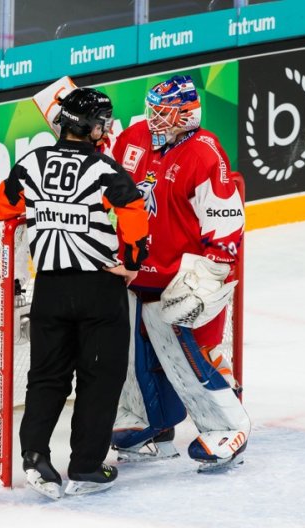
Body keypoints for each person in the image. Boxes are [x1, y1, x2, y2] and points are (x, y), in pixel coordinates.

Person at [0, 87, 149, 498]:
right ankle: (85, 466)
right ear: (92, 127)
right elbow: (134, 214)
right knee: (100, 378)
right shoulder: (107, 170)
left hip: (51, 291)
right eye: (103, 122)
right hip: (99, 290)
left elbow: (1, 204)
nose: (107, 128)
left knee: (46, 377)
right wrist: (132, 262)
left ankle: (35, 459)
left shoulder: (32, 163)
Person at [109, 74, 251, 471]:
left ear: (186, 114)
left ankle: (227, 427)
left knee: (191, 360)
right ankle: (145, 421)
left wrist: (207, 280)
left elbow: (225, 227)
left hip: (179, 282)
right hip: (135, 276)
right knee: (132, 360)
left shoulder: (205, 154)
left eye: (163, 111)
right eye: (152, 108)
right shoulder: (135, 138)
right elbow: (101, 161)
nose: (153, 117)